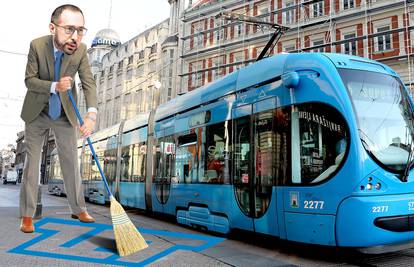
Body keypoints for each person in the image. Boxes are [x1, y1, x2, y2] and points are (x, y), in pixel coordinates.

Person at [19, 4, 97, 233]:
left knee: (71, 161)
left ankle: (78, 208)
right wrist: (55, 86)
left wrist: (91, 115)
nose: (75, 36)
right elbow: (29, 80)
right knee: (32, 165)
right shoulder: (37, 45)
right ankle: (27, 215)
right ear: (53, 27)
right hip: (37, 111)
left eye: (81, 30)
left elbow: (89, 82)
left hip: (64, 113)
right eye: (69, 29)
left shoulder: (80, 51)